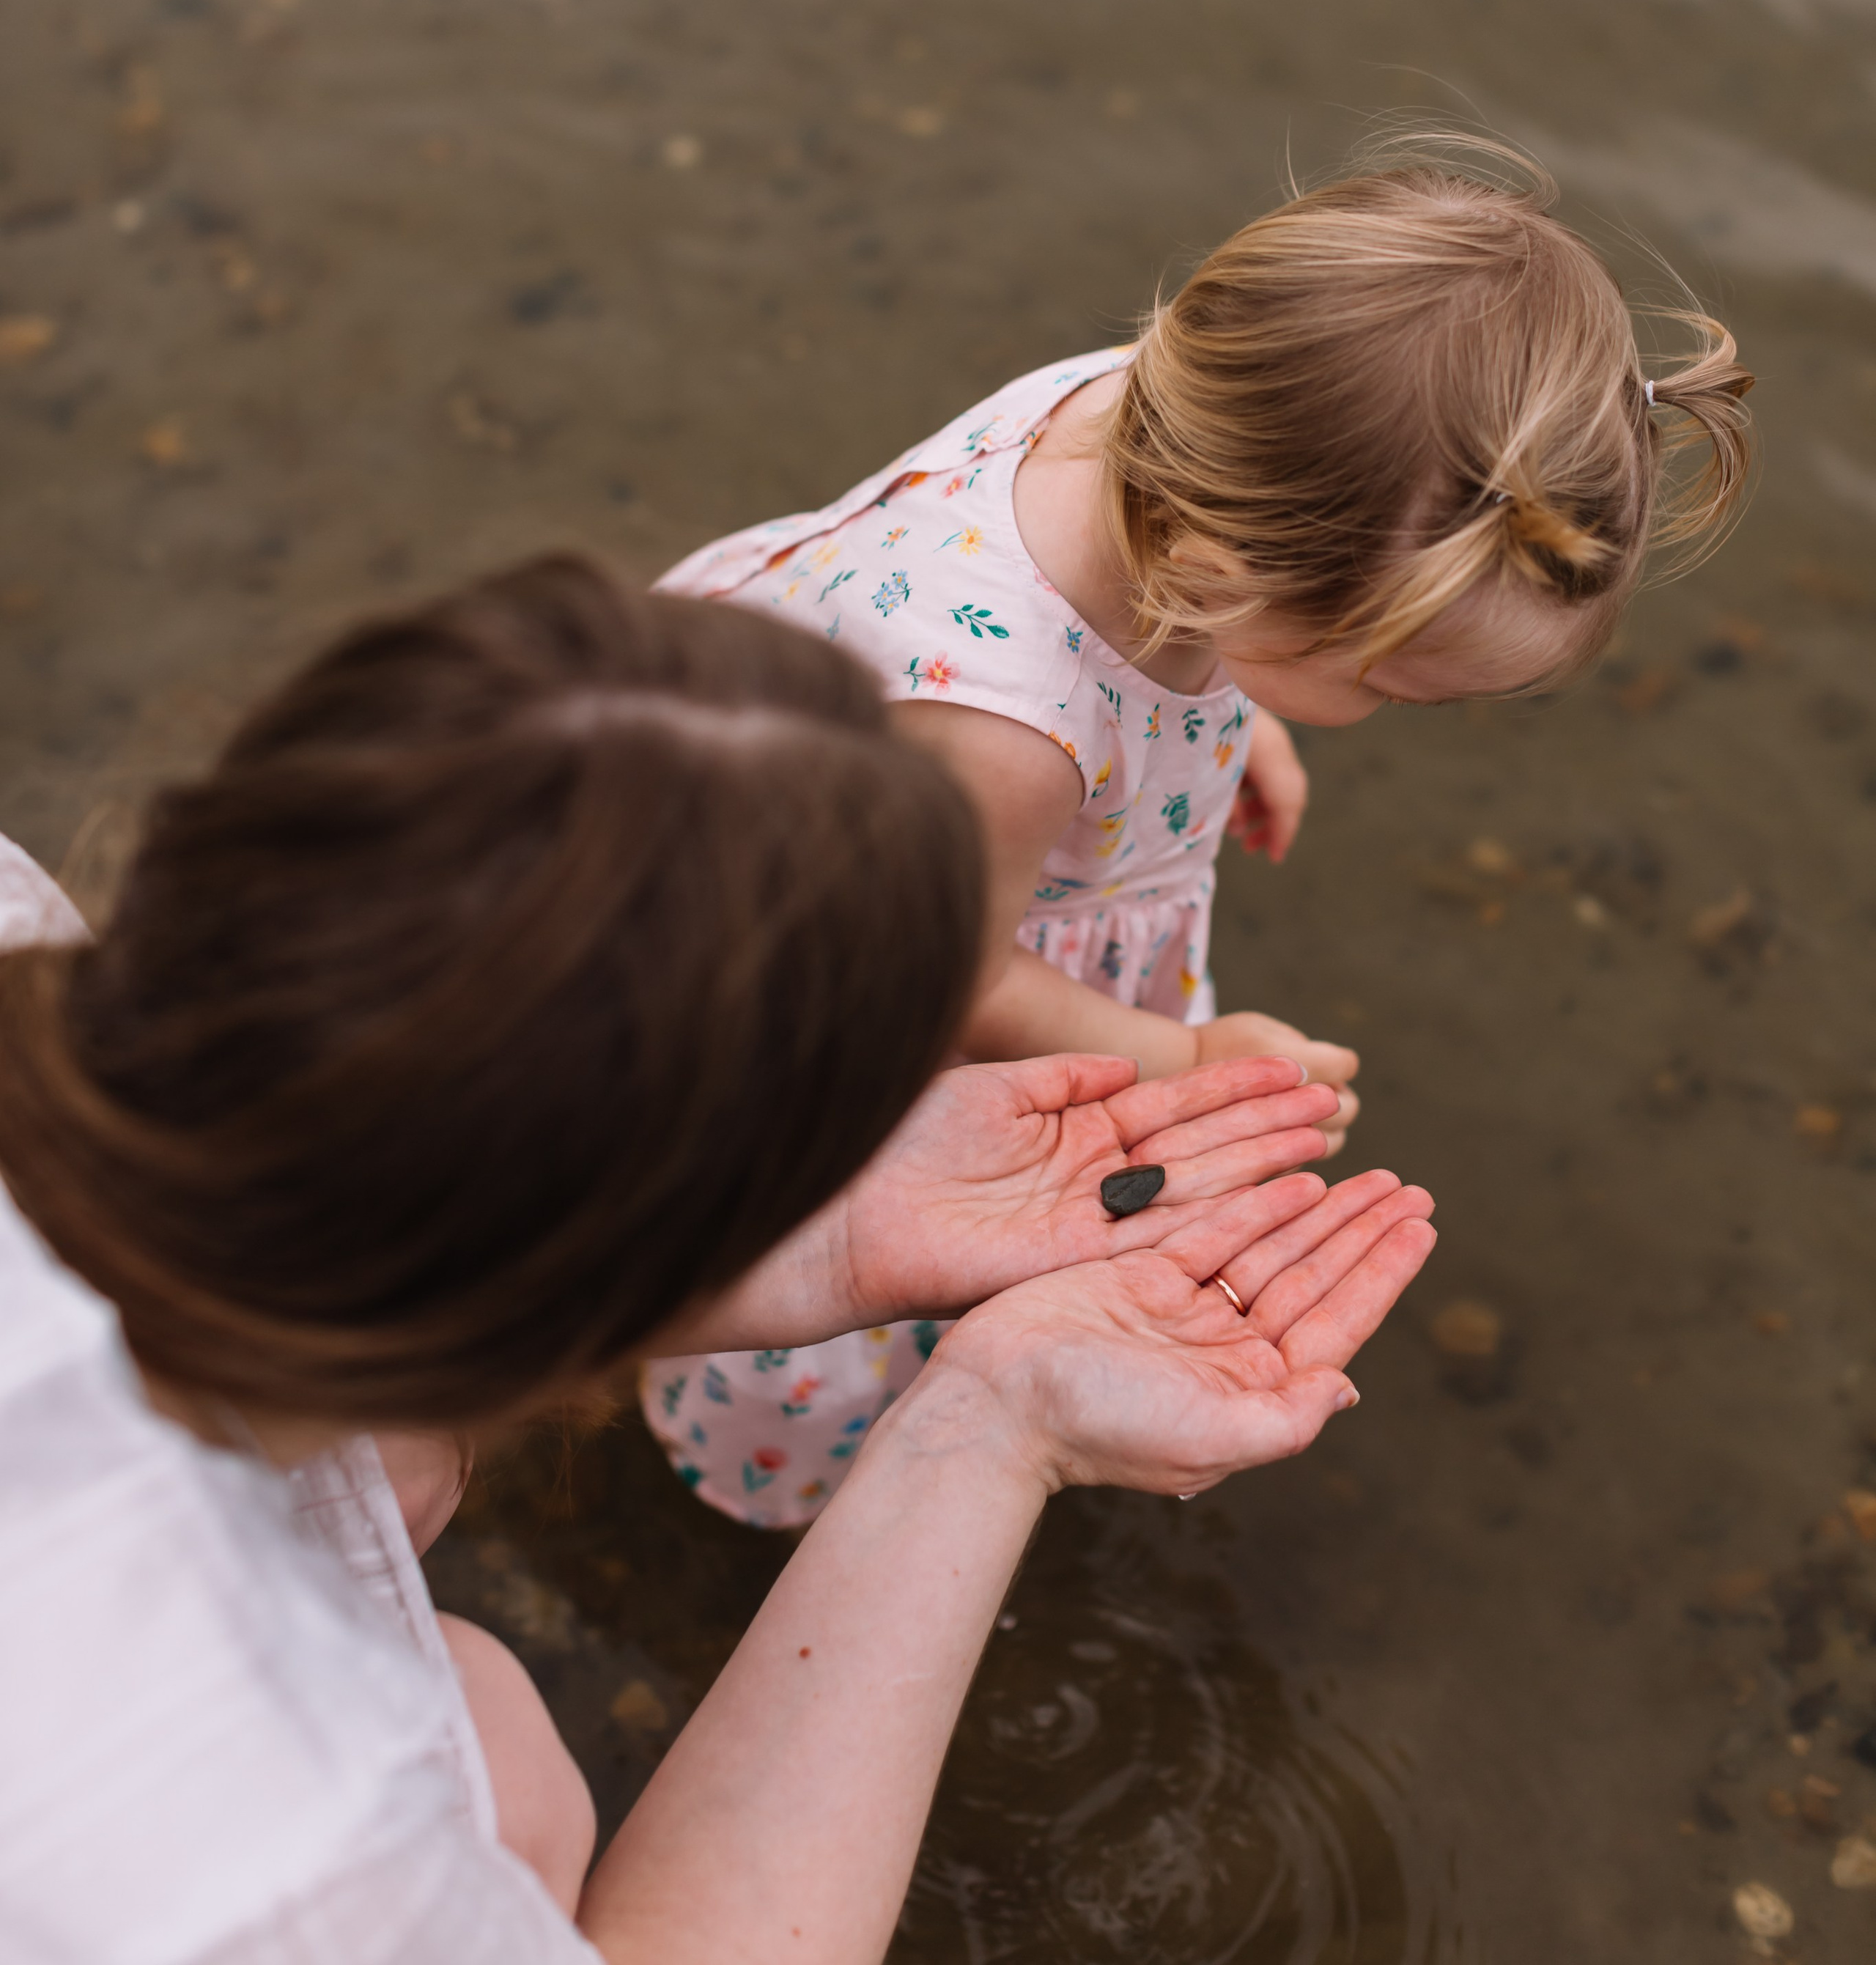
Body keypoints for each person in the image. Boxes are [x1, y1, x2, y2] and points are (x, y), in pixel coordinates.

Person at [0, 556, 1436, 1965]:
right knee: (498, 1767)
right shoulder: (262, 1837)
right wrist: (992, 1424)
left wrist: (832, 1221)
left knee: (419, 1518)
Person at [642, 133, 1753, 1524]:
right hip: (842, 944)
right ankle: (790, 1471)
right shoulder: (1009, 734)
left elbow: (1167, 645)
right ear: (1228, 569)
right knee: (849, 1208)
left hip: (854, 776)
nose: (1395, 712)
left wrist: (1233, 721)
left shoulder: (1168, 419)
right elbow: (947, 981)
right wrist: (1180, 1056)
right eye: (1381, 681)